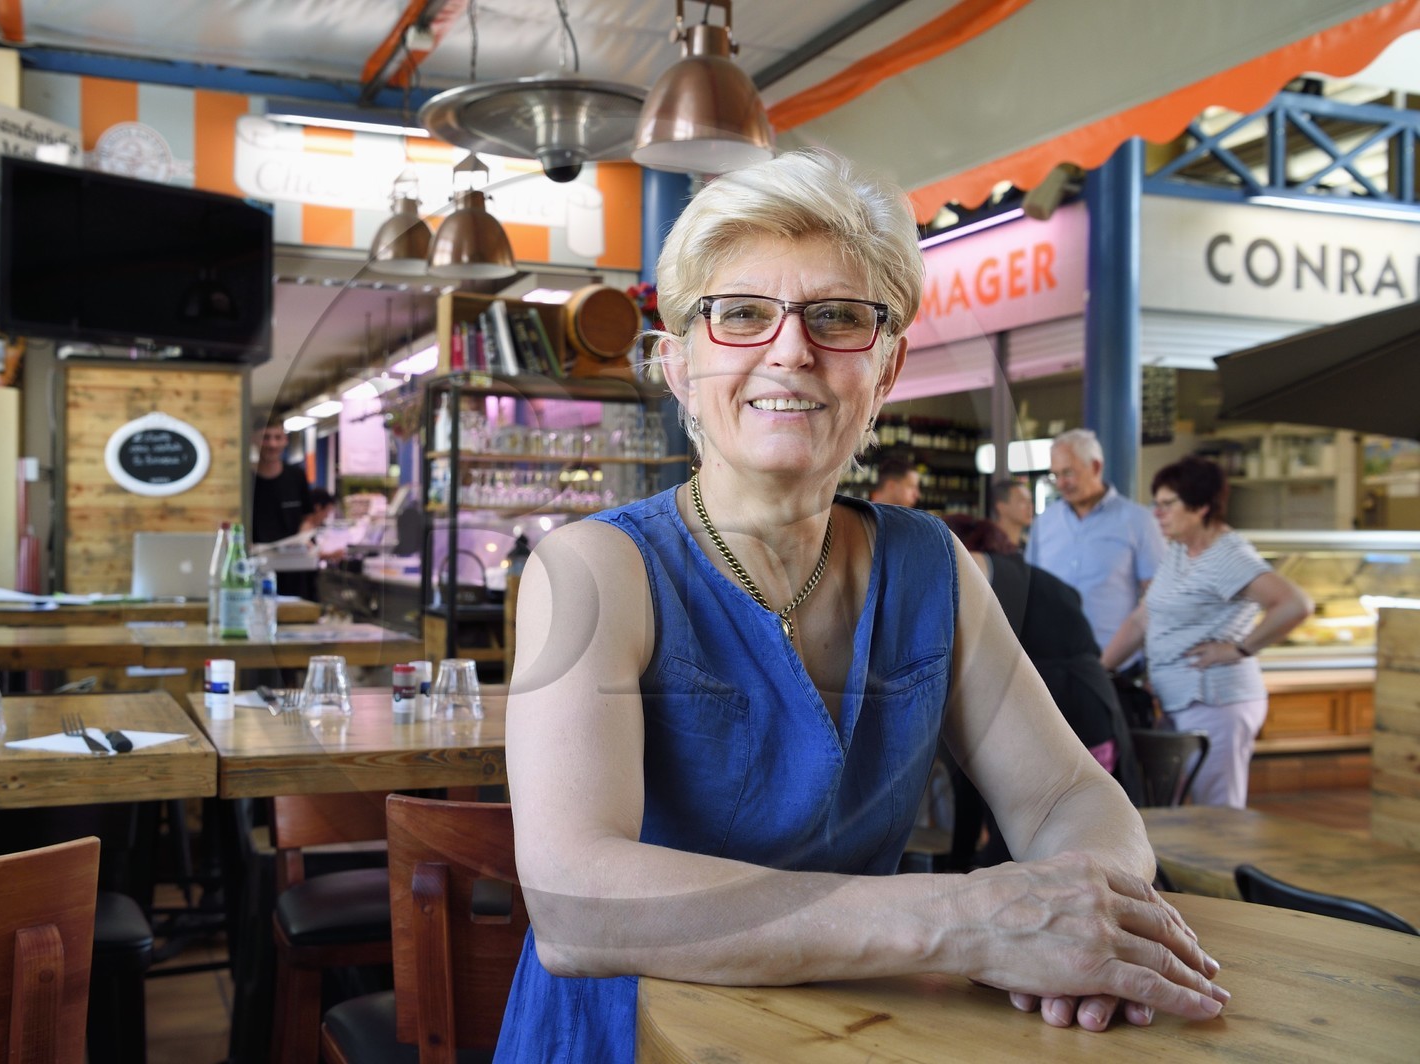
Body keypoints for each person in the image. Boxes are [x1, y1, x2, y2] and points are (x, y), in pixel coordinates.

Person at [497, 152, 1226, 1064]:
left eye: (839, 318)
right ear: (679, 365)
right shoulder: (593, 569)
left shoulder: (931, 566)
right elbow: (576, 903)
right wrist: (972, 919)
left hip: (857, 1032)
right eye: (742, 314)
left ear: (886, 369)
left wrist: (1076, 910)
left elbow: (1071, 793)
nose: (791, 349)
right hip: (638, 1039)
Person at [1101, 456, 1311, 808]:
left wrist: (1239, 649)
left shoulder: (1228, 557)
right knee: (1181, 812)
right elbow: (1142, 618)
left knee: (1217, 814)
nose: (1158, 514)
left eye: (1168, 504)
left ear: (1200, 507)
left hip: (1216, 701)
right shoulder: (1180, 551)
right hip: (1178, 702)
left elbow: (1295, 604)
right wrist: (1099, 670)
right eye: (1156, 504)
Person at [942, 515, 1143, 864]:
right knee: (1085, 824)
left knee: (1028, 823)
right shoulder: (1041, 579)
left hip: (1051, 704)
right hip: (1095, 705)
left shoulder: (967, 568)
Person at [1026, 428, 1165, 663]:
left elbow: (1158, 598)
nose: (1061, 483)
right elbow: (1031, 590)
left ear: (1096, 467)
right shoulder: (1044, 523)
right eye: (1055, 475)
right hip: (1052, 662)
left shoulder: (1139, 521)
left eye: (1068, 473)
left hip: (1116, 665)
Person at [250, 417, 313, 546]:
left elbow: (308, 517)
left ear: (285, 440)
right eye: (265, 438)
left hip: (292, 556)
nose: (272, 444)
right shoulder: (245, 479)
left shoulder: (297, 475)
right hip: (256, 557)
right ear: (254, 440)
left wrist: (304, 537)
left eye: (278, 437)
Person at [990, 477, 1034, 550]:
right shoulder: (987, 546)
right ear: (1001, 507)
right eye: (1022, 501)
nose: (1030, 507)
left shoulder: (1028, 547)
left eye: (1030, 501)